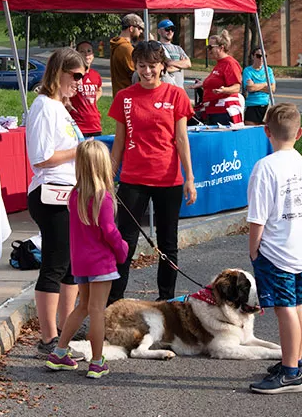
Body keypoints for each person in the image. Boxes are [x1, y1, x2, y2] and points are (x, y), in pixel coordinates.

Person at [108, 40, 197, 304]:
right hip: (133, 180)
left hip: (168, 179)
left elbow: (182, 139)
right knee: (125, 242)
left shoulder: (175, 95)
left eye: (152, 66)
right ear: (135, 65)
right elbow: (119, 143)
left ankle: (166, 302)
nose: (147, 71)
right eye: (142, 66)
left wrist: (189, 178)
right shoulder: (125, 97)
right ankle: (116, 302)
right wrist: (108, 178)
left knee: (167, 243)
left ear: (162, 66)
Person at [46, 140, 128, 378]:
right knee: (97, 311)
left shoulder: (76, 195)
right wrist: (122, 249)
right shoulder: (104, 197)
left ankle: (60, 352)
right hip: (101, 263)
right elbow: (109, 232)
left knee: (82, 307)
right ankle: (96, 361)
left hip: (80, 262)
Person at [247, 103, 302, 394]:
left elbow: (257, 218)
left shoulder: (265, 167)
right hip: (300, 248)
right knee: (299, 304)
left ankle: (289, 374)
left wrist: (253, 250)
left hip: (276, 251)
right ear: (299, 133)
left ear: (266, 132)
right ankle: (295, 361)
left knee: (284, 308)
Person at [26, 48, 87, 355]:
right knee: (55, 263)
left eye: (83, 76)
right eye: (76, 75)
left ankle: (65, 328)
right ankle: (49, 337)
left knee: (70, 265)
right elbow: (41, 159)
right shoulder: (43, 107)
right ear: (59, 72)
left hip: (67, 192)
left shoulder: (60, 106)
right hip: (50, 193)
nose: (80, 81)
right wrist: (81, 152)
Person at [188, 30, 242, 126]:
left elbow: (236, 87)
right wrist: (203, 84)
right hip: (213, 110)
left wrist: (224, 90)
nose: (208, 50)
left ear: (221, 48)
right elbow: (217, 81)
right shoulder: (219, 64)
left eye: (210, 47)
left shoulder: (230, 63)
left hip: (224, 111)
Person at [70, 41, 103, 137]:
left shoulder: (95, 75)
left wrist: (92, 99)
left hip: (95, 124)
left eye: (89, 51)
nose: (86, 54)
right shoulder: (73, 75)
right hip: (79, 125)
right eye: (82, 52)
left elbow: (99, 90)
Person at [110, 13, 145, 97]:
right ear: (131, 28)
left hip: (120, 94)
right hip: (128, 95)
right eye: (139, 28)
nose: (141, 32)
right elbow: (136, 73)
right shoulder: (126, 48)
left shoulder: (117, 44)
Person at [242, 47, 276, 125]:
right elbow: (250, 88)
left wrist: (255, 85)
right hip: (252, 105)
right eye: (258, 56)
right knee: (251, 132)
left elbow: (272, 89)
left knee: (266, 133)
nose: (261, 59)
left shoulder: (268, 70)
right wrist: (265, 84)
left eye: (264, 56)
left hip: (267, 105)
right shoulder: (247, 71)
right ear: (253, 56)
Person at [157, 18, 191, 88]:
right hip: (165, 87)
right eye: (167, 29)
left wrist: (170, 63)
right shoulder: (156, 47)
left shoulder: (178, 48)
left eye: (172, 29)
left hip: (179, 88)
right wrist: (180, 65)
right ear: (159, 31)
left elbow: (188, 64)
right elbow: (161, 68)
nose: (170, 32)